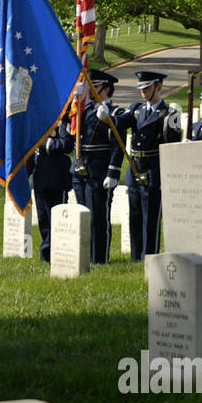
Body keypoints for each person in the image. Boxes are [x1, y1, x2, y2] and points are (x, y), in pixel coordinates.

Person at [66, 69, 131, 265]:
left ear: (106, 88)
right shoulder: (83, 110)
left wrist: (113, 171)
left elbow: (117, 144)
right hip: (81, 167)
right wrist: (73, 101)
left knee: (98, 216)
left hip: (99, 169)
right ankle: (84, 255)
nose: (90, 88)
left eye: (94, 85)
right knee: (82, 215)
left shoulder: (115, 112)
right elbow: (68, 125)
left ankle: (99, 258)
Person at [124, 70, 183, 261]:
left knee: (150, 216)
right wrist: (106, 115)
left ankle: (150, 256)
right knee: (135, 214)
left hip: (153, 168)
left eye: (147, 88)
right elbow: (119, 123)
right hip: (135, 168)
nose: (143, 93)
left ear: (158, 87)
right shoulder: (137, 110)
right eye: (141, 89)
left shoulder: (168, 114)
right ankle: (135, 257)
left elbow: (172, 145)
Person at [28, 122, 72, 263]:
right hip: (40, 175)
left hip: (56, 177)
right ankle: (47, 253)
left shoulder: (65, 122)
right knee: (43, 218)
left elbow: (66, 145)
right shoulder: (40, 119)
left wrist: (44, 144)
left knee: (56, 218)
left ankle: (50, 252)